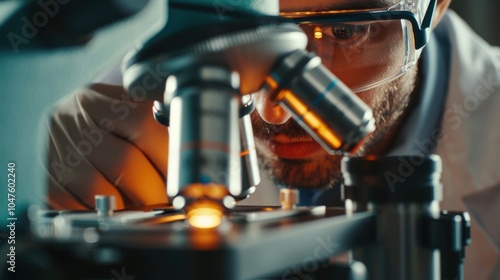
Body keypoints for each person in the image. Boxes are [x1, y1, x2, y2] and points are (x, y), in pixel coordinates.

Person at [45, 0, 499, 278]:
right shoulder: (135, 86)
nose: (272, 110)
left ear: (435, 6)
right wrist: (16, 192)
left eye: (346, 31)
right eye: (240, 32)